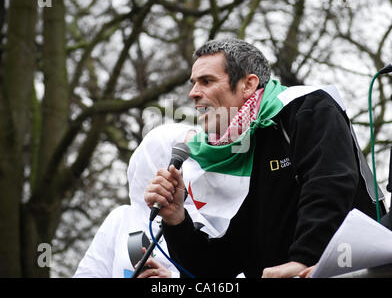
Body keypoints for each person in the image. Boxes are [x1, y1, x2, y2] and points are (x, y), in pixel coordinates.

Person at [144, 38, 388, 278]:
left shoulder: (306, 106)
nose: (193, 93)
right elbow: (214, 268)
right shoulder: (220, 153)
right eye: (193, 83)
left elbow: (329, 184)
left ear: (248, 85)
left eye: (207, 81)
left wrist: (301, 259)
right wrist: (176, 220)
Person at [73, 123, 200, 278]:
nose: (192, 165)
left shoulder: (215, 224)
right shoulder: (122, 218)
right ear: (155, 159)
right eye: (182, 156)